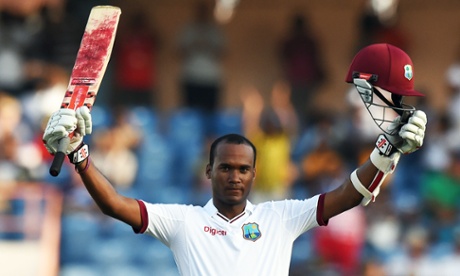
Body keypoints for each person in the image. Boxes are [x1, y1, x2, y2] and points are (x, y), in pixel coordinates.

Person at [42, 43, 427, 275]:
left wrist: (385, 151)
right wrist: (79, 154)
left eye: (243, 169)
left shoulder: (279, 218)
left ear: (255, 174)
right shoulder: (185, 222)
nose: (234, 176)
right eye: (225, 167)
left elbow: (348, 194)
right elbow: (114, 204)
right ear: (209, 170)